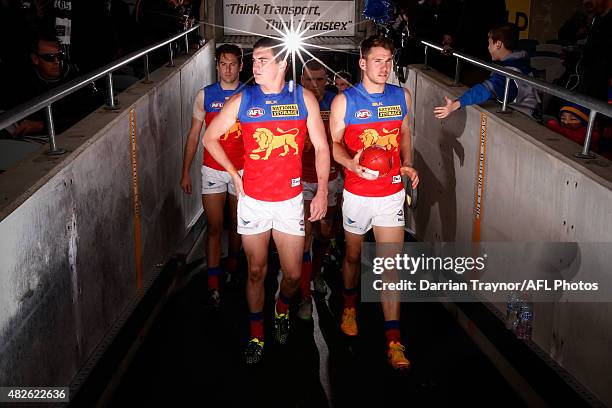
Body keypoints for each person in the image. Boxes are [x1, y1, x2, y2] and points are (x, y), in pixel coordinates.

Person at [203, 37, 330, 364]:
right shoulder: (244, 99)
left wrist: (324, 192)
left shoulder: (302, 98)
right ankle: (257, 333)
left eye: (261, 60)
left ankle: (282, 308)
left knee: (290, 276)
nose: (255, 66)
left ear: (281, 63)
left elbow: (322, 146)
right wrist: (233, 172)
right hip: (254, 202)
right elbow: (210, 137)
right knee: (256, 271)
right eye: (254, 60)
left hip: (290, 201)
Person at [329, 34, 419, 370]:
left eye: (388, 60)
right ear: (363, 62)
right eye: (377, 60)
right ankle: (350, 304)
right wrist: (351, 164)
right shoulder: (344, 101)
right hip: (356, 193)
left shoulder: (402, 95)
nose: (384, 67)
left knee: (390, 268)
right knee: (353, 254)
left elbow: (405, 132)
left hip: (391, 192)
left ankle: (394, 341)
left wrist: (407, 162)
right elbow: (335, 144)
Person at [180, 44, 244, 307]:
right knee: (215, 226)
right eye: (223, 63)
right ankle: (213, 283)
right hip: (213, 171)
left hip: (242, 171)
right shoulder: (204, 95)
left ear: (241, 66)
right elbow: (194, 135)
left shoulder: (249, 94)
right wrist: (185, 172)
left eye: (232, 64)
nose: (227, 68)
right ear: (217, 65)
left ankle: (233, 264)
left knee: (238, 224)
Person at [297, 58, 339, 319]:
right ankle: (303, 295)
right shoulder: (291, 101)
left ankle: (316, 274)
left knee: (324, 233)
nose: (314, 85)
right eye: (309, 80)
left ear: (328, 80)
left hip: (330, 177)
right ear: (301, 81)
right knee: (305, 238)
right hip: (300, 179)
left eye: (320, 79)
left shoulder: (336, 102)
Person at [434, 24, 541, 119]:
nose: (488, 48)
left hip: (525, 120)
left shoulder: (508, 73)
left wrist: (455, 104)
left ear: (498, 44)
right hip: (531, 114)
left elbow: (484, 90)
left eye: (490, 43)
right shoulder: (519, 61)